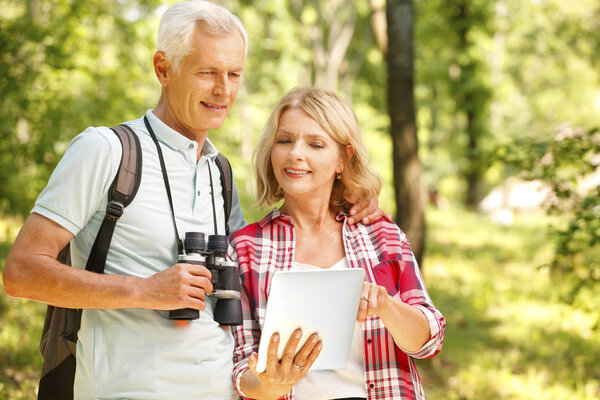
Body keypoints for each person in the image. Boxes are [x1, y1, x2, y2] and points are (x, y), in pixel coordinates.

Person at [2, 2, 385, 399]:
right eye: (207, 72)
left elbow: (261, 265)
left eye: (234, 74)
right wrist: (144, 291)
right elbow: (21, 272)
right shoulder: (106, 150)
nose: (224, 89)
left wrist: (344, 201)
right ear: (163, 69)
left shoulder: (220, 171)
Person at [228, 87, 446, 400]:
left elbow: (429, 340)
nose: (295, 154)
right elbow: (240, 367)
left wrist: (385, 305)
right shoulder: (246, 248)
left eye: (316, 144)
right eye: (284, 140)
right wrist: (267, 385)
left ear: (343, 158)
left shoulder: (381, 236)